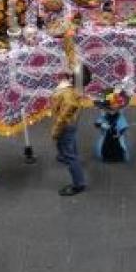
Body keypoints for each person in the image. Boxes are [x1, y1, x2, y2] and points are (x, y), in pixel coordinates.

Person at [50, 68, 90, 196]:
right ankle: (65, 155)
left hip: (65, 125)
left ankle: (79, 184)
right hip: (71, 124)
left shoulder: (69, 97)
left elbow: (62, 118)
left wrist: (55, 131)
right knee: (68, 142)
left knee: (68, 151)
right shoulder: (76, 89)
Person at [93, 87, 131, 163]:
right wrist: (101, 125)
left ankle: (118, 157)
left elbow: (123, 126)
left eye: (113, 109)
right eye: (109, 109)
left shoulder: (119, 116)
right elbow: (97, 123)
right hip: (107, 135)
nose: (111, 111)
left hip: (116, 135)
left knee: (118, 146)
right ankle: (107, 157)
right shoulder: (104, 116)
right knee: (106, 146)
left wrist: (119, 133)